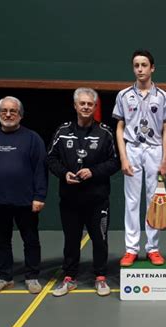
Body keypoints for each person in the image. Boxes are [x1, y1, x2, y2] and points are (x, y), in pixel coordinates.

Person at [47, 88, 120, 297]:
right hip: (70, 199)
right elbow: (51, 159)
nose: (86, 107)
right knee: (71, 239)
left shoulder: (105, 132)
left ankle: (100, 276)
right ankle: (69, 277)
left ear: (95, 107)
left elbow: (115, 161)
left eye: (90, 104)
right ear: (75, 106)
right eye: (82, 104)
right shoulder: (62, 131)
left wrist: (94, 171)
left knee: (100, 238)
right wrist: (64, 174)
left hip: (97, 200)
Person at [113, 49, 166, 267]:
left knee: (153, 201)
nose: (140, 69)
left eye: (144, 65)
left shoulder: (163, 96)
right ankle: (131, 248)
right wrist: (123, 157)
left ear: (152, 68)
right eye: (136, 65)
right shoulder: (123, 95)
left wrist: (165, 159)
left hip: (155, 150)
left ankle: (153, 248)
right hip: (132, 149)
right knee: (132, 201)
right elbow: (119, 127)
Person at [0, 96, 47, 295]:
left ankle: (32, 277)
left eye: (13, 111)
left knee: (31, 239)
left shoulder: (32, 138)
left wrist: (39, 196)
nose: (8, 114)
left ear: (20, 114)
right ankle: (4, 277)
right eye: (4, 111)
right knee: (1, 240)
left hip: (26, 201)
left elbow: (40, 169)